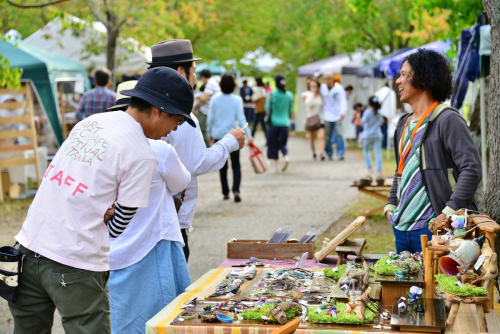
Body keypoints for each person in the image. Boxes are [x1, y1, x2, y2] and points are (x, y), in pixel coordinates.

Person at [8, 67, 196, 333]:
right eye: (177, 120)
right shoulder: (142, 154)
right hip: (73, 263)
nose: (175, 128)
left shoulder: (90, 123)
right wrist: (106, 216)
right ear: (159, 111)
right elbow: (118, 228)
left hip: (28, 249)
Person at [147, 39, 245, 260]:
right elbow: (195, 163)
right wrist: (229, 142)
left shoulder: (149, 106)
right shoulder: (178, 113)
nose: (195, 76)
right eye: (193, 70)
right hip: (168, 219)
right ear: (182, 72)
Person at [107, 81, 192, 334]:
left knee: (121, 317)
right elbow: (181, 182)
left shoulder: (106, 144)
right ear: (156, 111)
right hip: (151, 245)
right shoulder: (158, 150)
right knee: (160, 317)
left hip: (111, 249)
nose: (174, 127)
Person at [385, 49, 482, 253]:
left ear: (422, 79)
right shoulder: (403, 124)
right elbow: (401, 170)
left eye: (404, 74)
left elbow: (471, 169)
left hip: (437, 228)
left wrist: (446, 214)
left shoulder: (448, 120)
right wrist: (390, 206)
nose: (398, 81)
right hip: (401, 228)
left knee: (438, 285)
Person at [208, 74, 252, 202]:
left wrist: (210, 133)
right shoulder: (237, 99)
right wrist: (248, 134)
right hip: (234, 136)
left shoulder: (215, 99)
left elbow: (211, 119)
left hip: (219, 135)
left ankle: (225, 192)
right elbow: (241, 119)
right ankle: (236, 190)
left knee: (222, 165)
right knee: (236, 164)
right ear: (233, 85)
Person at [266, 74, 293, 173]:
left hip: (273, 124)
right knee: (283, 144)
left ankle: (277, 167)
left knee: (273, 145)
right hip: (285, 123)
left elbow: (266, 108)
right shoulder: (289, 95)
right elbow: (290, 109)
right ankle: (286, 157)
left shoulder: (271, 95)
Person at [320, 73, 347, 160]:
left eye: (328, 79)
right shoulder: (322, 88)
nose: (327, 81)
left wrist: (343, 112)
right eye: (325, 79)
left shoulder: (339, 88)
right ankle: (329, 153)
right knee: (327, 136)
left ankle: (340, 153)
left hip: (337, 115)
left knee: (339, 134)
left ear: (332, 79)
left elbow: (343, 100)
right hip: (326, 115)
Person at [195, 69, 221, 147]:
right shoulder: (214, 82)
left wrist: (197, 96)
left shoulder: (210, 83)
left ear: (203, 77)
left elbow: (204, 98)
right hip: (211, 111)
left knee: (204, 131)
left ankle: (209, 150)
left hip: (207, 112)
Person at [302, 78, 325, 160]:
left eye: (315, 86)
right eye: (312, 86)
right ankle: (314, 153)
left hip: (319, 119)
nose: (314, 88)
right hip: (310, 119)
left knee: (321, 137)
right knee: (311, 138)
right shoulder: (307, 95)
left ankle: (321, 153)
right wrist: (312, 94)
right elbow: (308, 104)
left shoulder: (320, 96)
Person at [361, 96, 383, 175]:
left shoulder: (367, 112)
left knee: (366, 151)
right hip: (377, 135)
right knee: (377, 152)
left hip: (367, 135)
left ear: (369, 103)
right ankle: (379, 170)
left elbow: (362, 122)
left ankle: (370, 167)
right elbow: (381, 123)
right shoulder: (379, 113)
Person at [375, 83, 397, 149]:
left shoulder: (379, 91)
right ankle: (383, 145)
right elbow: (393, 105)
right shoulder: (391, 92)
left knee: (378, 130)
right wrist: (392, 115)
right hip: (386, 115)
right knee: (385, 130)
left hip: (377, 113)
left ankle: (378, 145)